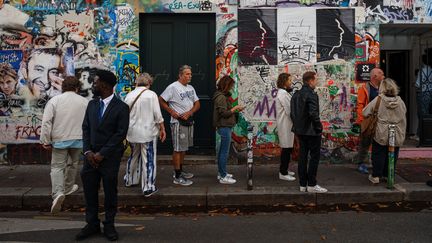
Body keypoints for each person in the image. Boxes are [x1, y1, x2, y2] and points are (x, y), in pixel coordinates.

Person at [76, 69, 129, 241]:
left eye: (96, 81)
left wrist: (102, 154)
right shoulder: (92, 104)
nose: (93, 84)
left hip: (109, 159)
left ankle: (109, 224)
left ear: (105, 85)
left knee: (110, 193)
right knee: (90, 192)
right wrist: (88, 152)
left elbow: (120, 134)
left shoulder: (121, 108)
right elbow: (85, 128)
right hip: (90, 158)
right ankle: (91, 224)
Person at [39, 76, 88, 214]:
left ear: (63, 87)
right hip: (79, 139)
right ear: (77, 88)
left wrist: (45, 140)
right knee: (73, 164)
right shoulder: (84, 102)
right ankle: (68, 187)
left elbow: (47, 121)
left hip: (60, 139)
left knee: (57, 167)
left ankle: (58, 193)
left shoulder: (55, 101)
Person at [123, 73, 166, 196]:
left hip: (132, 132)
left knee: (133, 155)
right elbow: (157, 115)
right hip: (148, 132)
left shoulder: (129, 95)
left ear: (137, 83)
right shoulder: (151, 95)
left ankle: (130, 179)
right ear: (149, 83)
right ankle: (148, 187)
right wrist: (162, 128)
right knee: (149, 159)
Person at [159, 65, 200, 186]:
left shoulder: (190, 88)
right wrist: (171, 111)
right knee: (178, 148)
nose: (190, 76)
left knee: (184, 148)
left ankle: (180, 171)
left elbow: (197, 104)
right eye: (187, 74)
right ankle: (177, 176)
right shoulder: (173, 87)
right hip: (177, 123)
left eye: (190, 74)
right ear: (180, 75)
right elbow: (161, 99)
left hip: (188, 120)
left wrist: (189, 112)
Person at [363, 78, 406, 184]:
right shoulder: (400, 101)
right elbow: (403, 113)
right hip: (397, 131)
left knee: (378, 153)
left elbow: (365, 112)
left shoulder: (379, 99)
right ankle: (388, 175)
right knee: (393, 153)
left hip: (381, 131)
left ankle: (376, 176)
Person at [291, 71, 327, 193]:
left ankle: (302, 185)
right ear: (310, 80)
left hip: (300, 131)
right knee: (314, 157)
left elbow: (293, 114)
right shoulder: (311, 94)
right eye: (316, 79)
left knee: (302, 157)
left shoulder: (296, 95)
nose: (317, 81)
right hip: (312, 131)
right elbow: (313, 113)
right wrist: (319, 127)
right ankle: (311, 184)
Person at [213, 75, 243, 184]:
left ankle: (222, 172)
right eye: (231, 86)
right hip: (224, 126)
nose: (231, 88)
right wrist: (234, 109)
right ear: (226, 85)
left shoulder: (222, 96)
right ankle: (223, 176)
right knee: (224, 152)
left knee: (223, 151)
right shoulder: (221, 97)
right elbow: (223, 113)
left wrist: (235, 109)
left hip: (225, 126)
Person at [355, 67, 384, 174]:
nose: (383, 76)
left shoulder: (383, 88)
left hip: (381, 120)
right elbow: (360, 105)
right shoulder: (365, 88)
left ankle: (376, 164)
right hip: (368, 119)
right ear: (375, 76)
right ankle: (361, 163)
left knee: (379, 142)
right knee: (365, 142)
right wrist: (361, 120)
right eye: (381, 73)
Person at [275, 73, 296, 182]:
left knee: (288, 148)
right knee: (286, 149)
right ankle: (283, 172)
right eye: (289, 80)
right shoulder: (283, 94)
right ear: (284, 82)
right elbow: (289, 111)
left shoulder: (283, 93)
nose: (291, 82)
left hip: (287, 125)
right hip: (286, 125)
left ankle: (285, 170)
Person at [414, 52, 432, 140]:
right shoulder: (431, 70)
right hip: (430, 93)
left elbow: (418, 84)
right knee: (427, 114)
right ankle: (424, 135)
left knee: (421, 114)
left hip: (422, 93)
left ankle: (421, 135)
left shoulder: (422, 71)